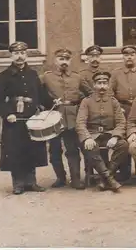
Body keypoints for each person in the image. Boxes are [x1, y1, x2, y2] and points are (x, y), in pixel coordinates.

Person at [0, 42, 55, 195]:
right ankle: (18, 183)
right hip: (14, 119)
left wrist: (52, 103)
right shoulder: (5, 75)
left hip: (32, 118)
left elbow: (41, 94)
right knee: (15, 150)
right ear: (11, 55)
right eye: (16, 53)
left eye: (22, 53)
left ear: (26, 55)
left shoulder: (33, 74)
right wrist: (8, 114)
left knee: (32, 148)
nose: (20, 56)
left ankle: (31, 182)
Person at [42, 48, 92, 190]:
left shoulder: (77, 77)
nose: (64, 62)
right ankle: (60, 178)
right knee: (54, 149)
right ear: (55, 61)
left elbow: (90, 94)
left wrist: (84, 108)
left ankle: (76, 179)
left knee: (72, 149)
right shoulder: (47, 77)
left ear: (70, 61)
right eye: (61, 59)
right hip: (53, 117)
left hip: (72, 117)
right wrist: (46, 104)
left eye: (66, 59)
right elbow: (37, 94)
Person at [75, 71, 129, 192]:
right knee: (89, 147)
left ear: (109, 85)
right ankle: (109, 178)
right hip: (93, 135)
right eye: (99, 83)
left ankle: (105, 177)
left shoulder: (113, 101)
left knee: (123, 145)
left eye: (105, 83)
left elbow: (121, 122)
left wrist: (115, 136)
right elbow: (80, 123)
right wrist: (87, 138)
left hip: (109, 134)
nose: (102, 86)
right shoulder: (86, 101)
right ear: (94, 85)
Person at [79, 44, 111, 186]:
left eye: (97, 56)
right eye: (92, 56)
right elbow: (83, 93)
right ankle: (91, 172)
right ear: (87, 58)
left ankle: (110, 171)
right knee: (93, 141)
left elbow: (111, 92)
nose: (95, 59)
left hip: (106, 109)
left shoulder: (107, 73)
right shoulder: (82, 75)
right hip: (90, 109)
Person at [109, 45, 136, 117]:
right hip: (122, 107)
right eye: (126, 55)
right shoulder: (116, 73)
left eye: (132, 55)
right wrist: (117, 106)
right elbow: (109, 92)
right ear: (123, 57)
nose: (129, 57)